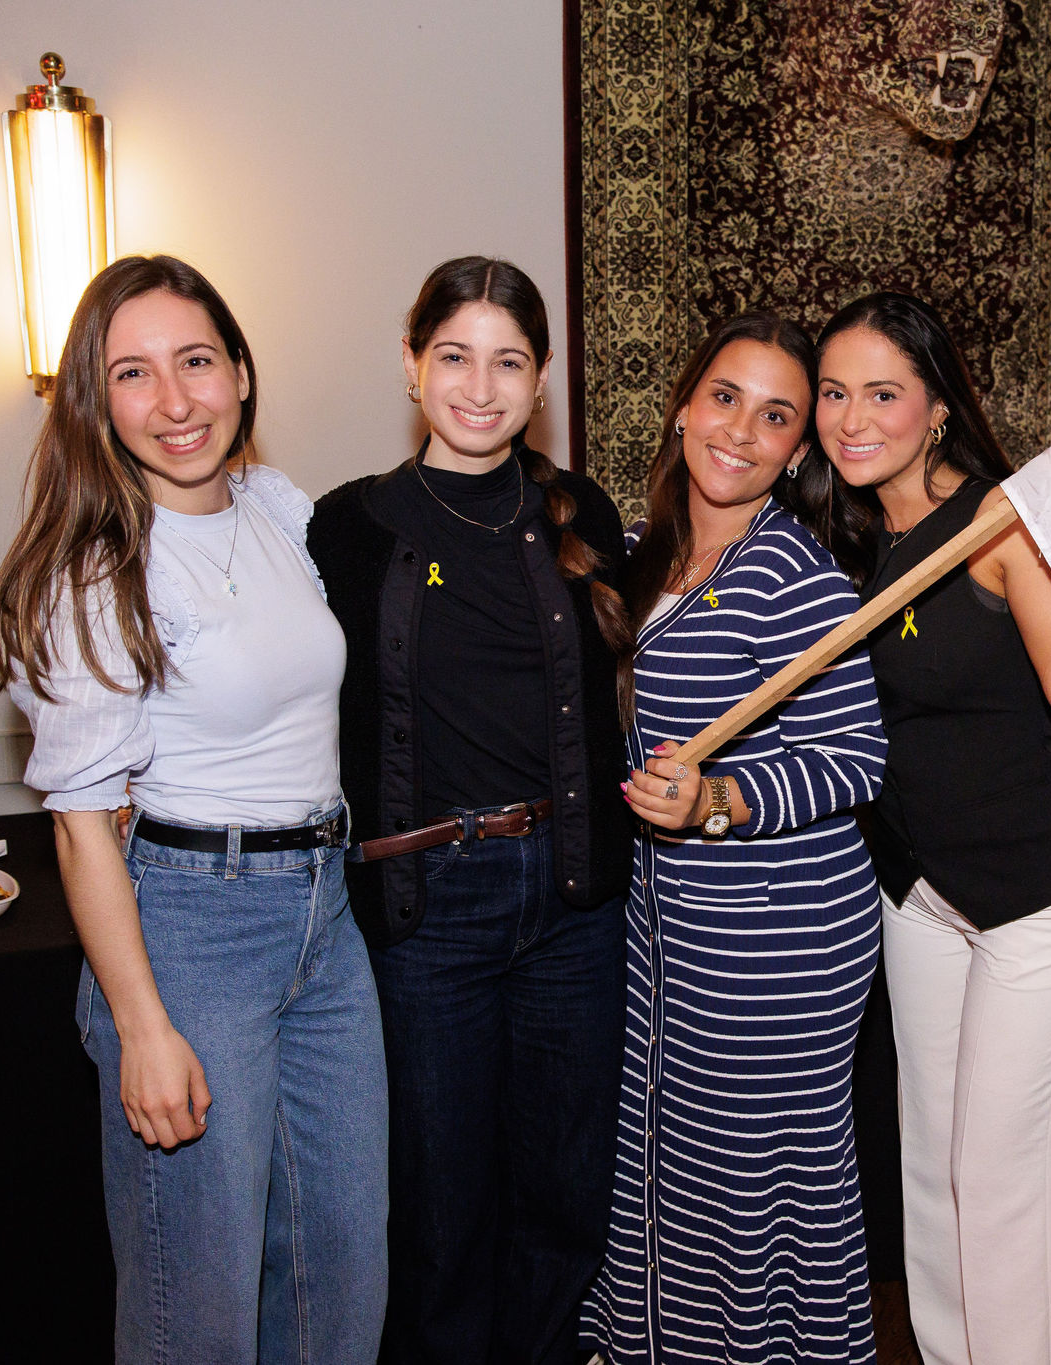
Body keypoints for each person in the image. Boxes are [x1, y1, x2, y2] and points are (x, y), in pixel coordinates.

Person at [0, 254, 386, 1363]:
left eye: (197, 361)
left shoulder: (276, 507)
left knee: (343, 1277)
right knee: (195, 1310)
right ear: (96, 401)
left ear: (242, 374)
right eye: (134, 373)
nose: (174, 401)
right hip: (190, 933)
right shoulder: (92, 573)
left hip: (326, 921)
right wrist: (142, 1027)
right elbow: (81, 824)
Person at [306, 257, 631, 1364]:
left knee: (565, 1195)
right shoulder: (344, 528)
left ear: (540, 380)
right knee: (439, 1210)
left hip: (574, 902)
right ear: (411, 364)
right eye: (454, 356)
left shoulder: (582, 512)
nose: (480, 388)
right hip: (425, 908)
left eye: (508, 362)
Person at [812, 291, 1051, 1365]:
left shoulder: (1000, 522)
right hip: (919, 892)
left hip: (1040, 899)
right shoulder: (847, 534)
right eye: (834, 393)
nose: (853, 419)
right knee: (936, 1169)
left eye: (882, 394)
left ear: (937, 406)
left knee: (1005, 1181)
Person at [579, 313, 886, 1363]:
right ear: (682, 406)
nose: (740, 432)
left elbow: (854, 759)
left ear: (797, 451)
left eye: (775, 416)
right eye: (724, 397)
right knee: (667, 1156)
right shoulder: (641, 549)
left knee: (754, 1182)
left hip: (780, 935)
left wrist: (718, 799)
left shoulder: (794, 575)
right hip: (670, 925)